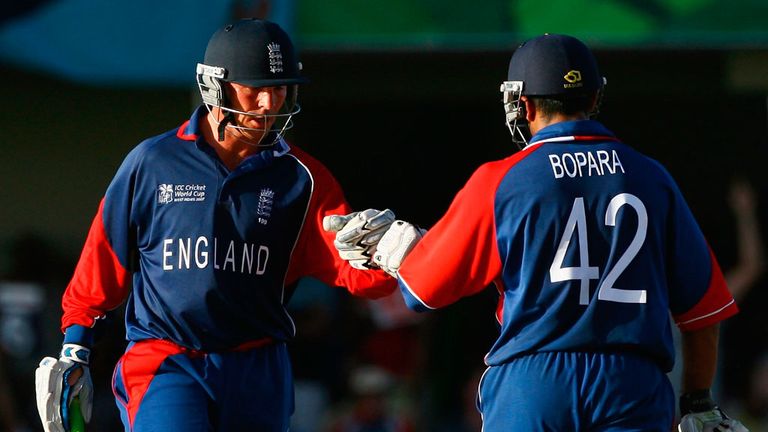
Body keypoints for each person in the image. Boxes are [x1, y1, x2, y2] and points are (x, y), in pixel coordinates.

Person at [326, 34, 748, 431]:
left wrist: (396, 248)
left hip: (535, 379)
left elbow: (424, 290)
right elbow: (703, 315)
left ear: (523, 105)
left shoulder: (500, 180)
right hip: (631, 380)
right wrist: (697, 401)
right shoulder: (651, 177)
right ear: (596, 97)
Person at [34, 18, 398, 432]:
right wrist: (75, 346)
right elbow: (104, 258)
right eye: (255, 88)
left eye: (279, 88)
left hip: (257, 367)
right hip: (165, 359)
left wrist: (385, 255)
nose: (269, 103)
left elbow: (353, 271)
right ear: (215, 88)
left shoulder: (303, 179)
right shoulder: (153, 162)